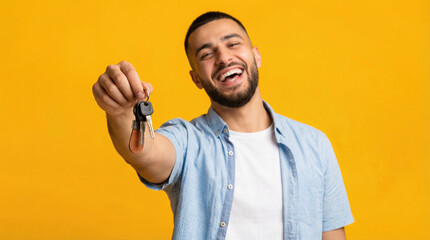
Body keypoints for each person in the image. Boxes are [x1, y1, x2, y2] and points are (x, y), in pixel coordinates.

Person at [92, 11, 354, 240]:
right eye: (207, 53)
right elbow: (147, 154)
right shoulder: (188, 141)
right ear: (196, 78)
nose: (223, 57)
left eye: (233, 44)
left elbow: (331, 234)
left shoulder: (314, 144)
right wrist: (121, 112)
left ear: (256, 56)